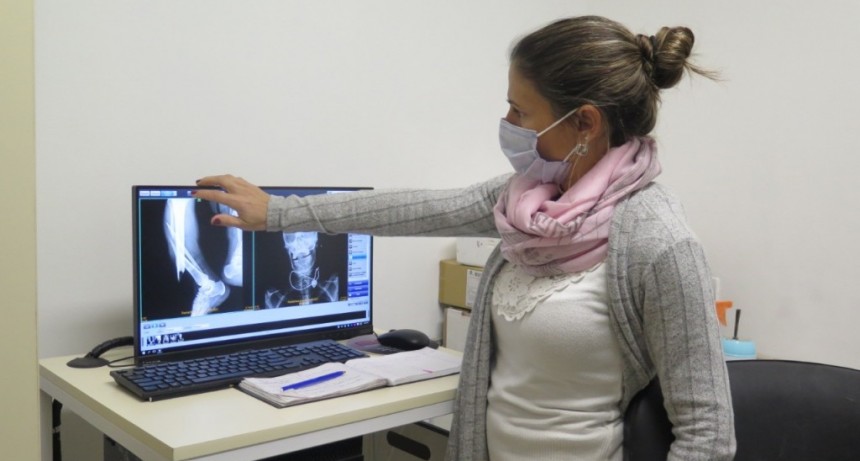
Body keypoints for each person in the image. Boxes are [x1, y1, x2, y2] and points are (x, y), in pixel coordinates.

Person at [194, 15, 735, 461]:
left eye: (521, 110)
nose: (508, 121)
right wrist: (280, 213)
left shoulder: (658, 241)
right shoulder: (527, 200)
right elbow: (414, 210)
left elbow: (707, 432)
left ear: (585, 123)